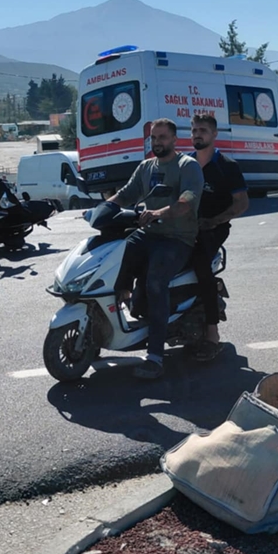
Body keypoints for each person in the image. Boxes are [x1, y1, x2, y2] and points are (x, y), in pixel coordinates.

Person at [106, 117, 204, 380]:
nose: (157, 142)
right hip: (148, 233)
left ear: (174, 140)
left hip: (177, 238)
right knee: (116, 263)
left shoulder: (188, 166)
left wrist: (157, 212)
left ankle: (155, 356)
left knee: (155, 282)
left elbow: (186, 202)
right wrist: (104, 209)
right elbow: (126, 194)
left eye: (162, 137)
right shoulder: (146, 167)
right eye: (153, 137)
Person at [186, 113, 249, 362]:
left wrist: (213, 221)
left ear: (214, 135)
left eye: (202, 130)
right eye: (194, 131)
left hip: (213, 228)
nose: (197, 134)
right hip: (184, 227)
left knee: (202, 267)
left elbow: (242, 203)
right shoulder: (184, 164)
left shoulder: (227, 166)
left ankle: (212, 335)